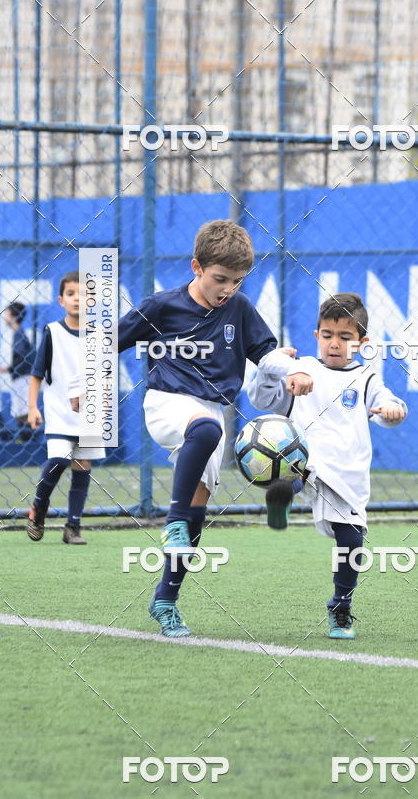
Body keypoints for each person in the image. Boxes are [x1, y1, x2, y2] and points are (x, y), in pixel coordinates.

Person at [117, 219, 313, 638]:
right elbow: (105, 345)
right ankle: (170, 522)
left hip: (213, 412)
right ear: (195, 267)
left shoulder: (239, 309)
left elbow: (266, 353)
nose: (227, 289)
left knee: (197, 515)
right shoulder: (159, 307)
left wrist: (293, 369)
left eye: (237, 281)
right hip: (166, 402)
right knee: (203, 431)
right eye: (220, 279)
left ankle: (165, 600)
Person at [247, 292, 407, 639]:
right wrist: (277, 370)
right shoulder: (303, 370)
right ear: (316, 334)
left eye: (345, 337)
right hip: (306, 463)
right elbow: (261, 396)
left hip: (347, 474)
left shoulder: (367, 379)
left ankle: (341, 606)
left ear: (362, 342)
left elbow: (388, 406)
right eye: (327, 335)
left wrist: (394, 411)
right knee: (299, 470)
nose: (335, 344)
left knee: (351, 544)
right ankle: (283, 493)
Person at [26, 272, 105, 545]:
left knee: (83, 466)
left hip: (89, 414)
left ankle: (73, 526)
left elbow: (102, 376)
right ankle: (39, 506)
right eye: (71, 294)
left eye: (83, 294)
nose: (77, 299)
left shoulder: (98, 336)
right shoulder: (52, 332)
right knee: (59, 459)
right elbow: (36, 373)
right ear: (61, 300)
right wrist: (32, 407)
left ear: (92, 301)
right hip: (59, 410)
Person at [1, 302, 34, 440]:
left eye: (6, 313)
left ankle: (26, 440)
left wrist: (8, 368)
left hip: (22, 377)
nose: (4, 316)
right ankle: (24, 439)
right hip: (22, 376)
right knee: (21, 410)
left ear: (13, 315)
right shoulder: (18, 332)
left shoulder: (18, 332)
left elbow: (20, 356)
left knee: (23, 411)